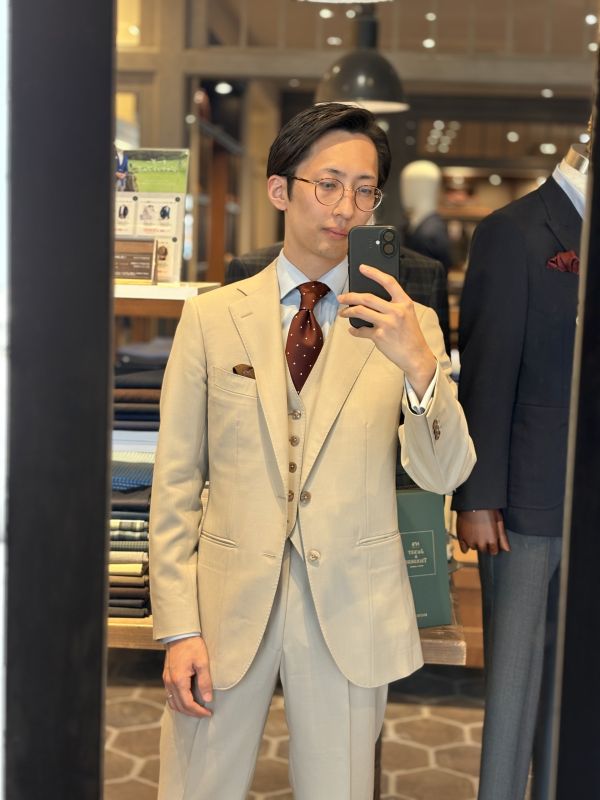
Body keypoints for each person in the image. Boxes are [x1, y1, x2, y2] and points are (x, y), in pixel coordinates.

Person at [149, 102, 475, 800]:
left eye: (364, 190)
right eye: (328, 185)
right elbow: (175, 483)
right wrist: (177, 628)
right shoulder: (211, 317)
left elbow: (443, 471)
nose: (346, 208)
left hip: (351, 604)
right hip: (225, 602)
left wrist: (419, 366)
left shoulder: (409, 324)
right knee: (197, 787)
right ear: (280, 189)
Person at [452, 143, 587, 800]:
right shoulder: (514, 231)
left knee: (576, 690)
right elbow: (486, 368)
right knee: (514, 688)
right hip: (526, 502)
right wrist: (478, 497)